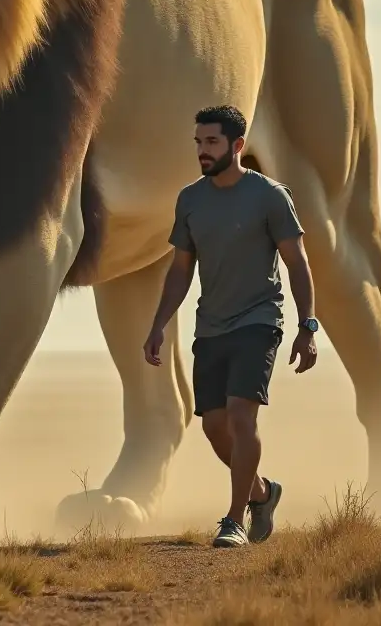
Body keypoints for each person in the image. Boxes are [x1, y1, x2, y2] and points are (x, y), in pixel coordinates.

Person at [143, 104, 319, 549]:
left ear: (237, 145)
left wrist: (307, 325)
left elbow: (296, 262)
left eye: (212, 142)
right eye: (199, 143)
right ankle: (261, 492)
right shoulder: (190, 200)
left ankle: (234, 520)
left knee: (241, 416)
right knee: (213, 425)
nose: (202, 151)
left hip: (259, 320)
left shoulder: (269, 196)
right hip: (212, 326)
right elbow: (181, 269)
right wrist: (159, 323)